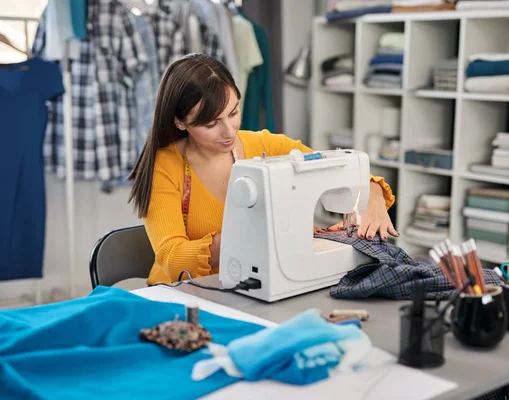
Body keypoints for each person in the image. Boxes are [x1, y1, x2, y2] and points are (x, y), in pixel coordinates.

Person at [128, 53, 399, 285]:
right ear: (180, 123)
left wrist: (373, 196)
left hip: (254, 286)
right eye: (211, 124)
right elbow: (172, 259)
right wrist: (268, 232)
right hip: (182, 297)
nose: (228, 131)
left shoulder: (266, 145)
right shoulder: (165, 167)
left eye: (233, 113)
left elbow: (339, 168)